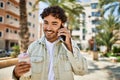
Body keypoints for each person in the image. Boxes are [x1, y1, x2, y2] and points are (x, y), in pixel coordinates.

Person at [13, 6, 88, 80]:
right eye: (46, 23)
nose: (48, 28)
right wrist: (17, 74)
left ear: (62, 25)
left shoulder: (71, 45)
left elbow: (82, 71)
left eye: (54, 23)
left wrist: (69, 46)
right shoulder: (33, 47)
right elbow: (26, 77)